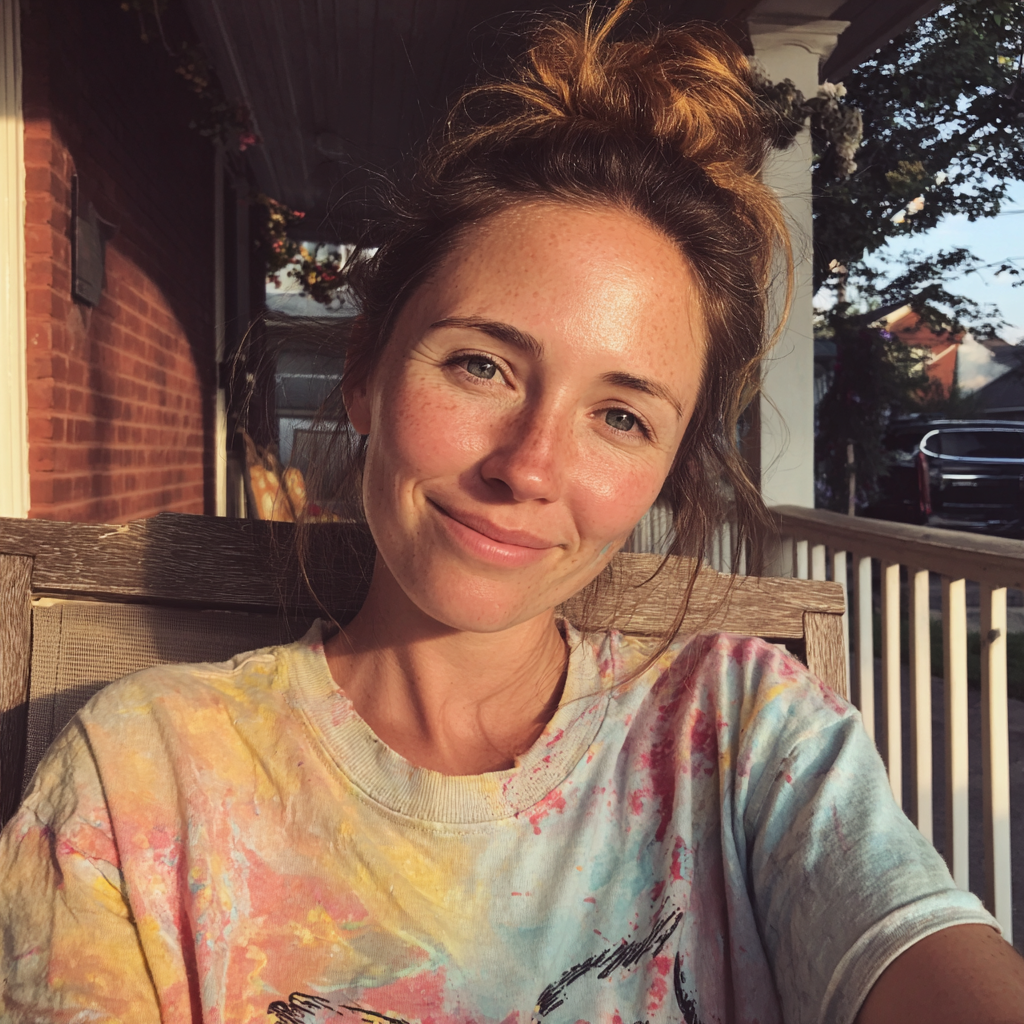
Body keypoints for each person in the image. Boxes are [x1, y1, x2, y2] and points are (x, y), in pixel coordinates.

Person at [2, 5, 1023, 1023]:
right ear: (365, 374)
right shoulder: (143, 777)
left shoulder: (742, 734)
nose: (528, 467)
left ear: (667, 472)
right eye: (480, 365)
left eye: (620, 417)